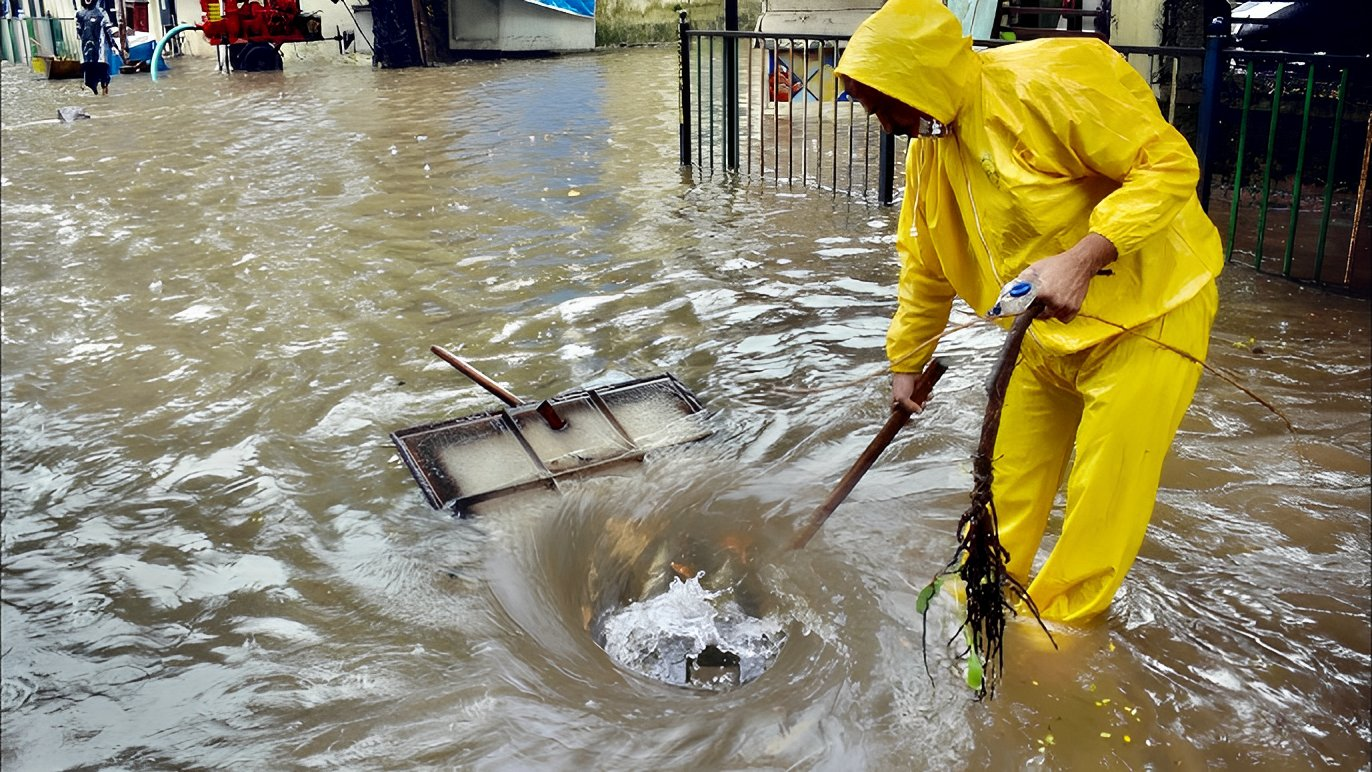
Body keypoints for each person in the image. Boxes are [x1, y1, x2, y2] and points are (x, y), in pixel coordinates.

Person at [833, 0, 1223, 623]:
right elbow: (926, 264)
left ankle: (1061, 631)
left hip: (1149, 314)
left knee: (1104, 495)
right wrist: (906, 362)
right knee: (1004, 479)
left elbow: (1168, 166)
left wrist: (1087, 255)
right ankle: (978, 599)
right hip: (1040, 332)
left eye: (883, 105)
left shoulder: (1047, 84)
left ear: (920, 80)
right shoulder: (929, 149)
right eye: (869, 109)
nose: (883, 125)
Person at [75, 0, 126, 96]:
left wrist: (113, 45)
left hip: (100, 51)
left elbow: (108, 30)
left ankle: (104, 96)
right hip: (87, 53)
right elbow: (79, 33)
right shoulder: (79, 14)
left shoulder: (101, 12)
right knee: (89, 81)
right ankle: (95, 97)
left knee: (104, 77)